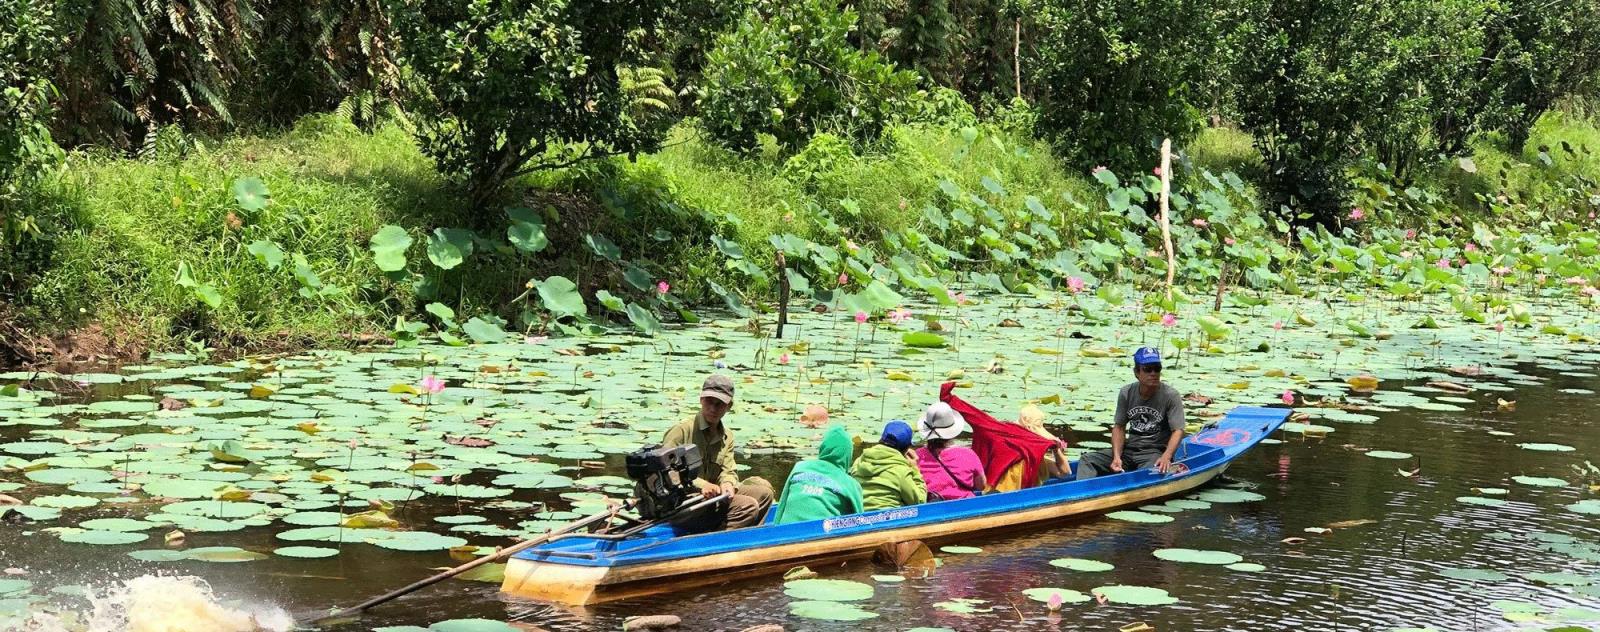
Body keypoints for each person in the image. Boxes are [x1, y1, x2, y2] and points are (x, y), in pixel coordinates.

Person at [660, 375, 775, 531]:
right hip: (683, 500)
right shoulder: (681, 431)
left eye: (719, 404)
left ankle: (737, 531)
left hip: (714, 496)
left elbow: (728, 470)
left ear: (729, 406)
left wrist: (728, 483)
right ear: (701, 399)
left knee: (764, 493)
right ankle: (721, 540)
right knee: (747, 506)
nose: (713, 409)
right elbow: (665, 472)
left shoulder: (727, 436)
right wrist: (703, 485)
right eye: (709, 401)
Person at [1077, 347, 1186, 479]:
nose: (1153, 373)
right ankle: (1085, 494)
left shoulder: (1170, 395)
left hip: (1153, 452)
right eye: (1147, 369)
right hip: (1129, 450)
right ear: (1137, 372)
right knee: (1087, 460)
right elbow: (1119, 427)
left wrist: (1166, 457)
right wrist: (1117, 457)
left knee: (1148, 473)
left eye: (1157, 368)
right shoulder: (1126, 393)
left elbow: (1178, 430)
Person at [772, 425, 863, 525]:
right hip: (822, 535)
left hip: (785, 532)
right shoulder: (850, 484)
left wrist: (775, 529)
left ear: (823, 448)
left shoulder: (800, 467)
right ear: (848, 455)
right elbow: (860, 521)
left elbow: (782, 505)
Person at [914, 402, 986, 501]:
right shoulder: (968, 454)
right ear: (953, 431)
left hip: (932, 506)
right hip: (966, 505)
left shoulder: (917, 456)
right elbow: (981, 486)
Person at [989, 404, 1072, 491]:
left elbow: (1066, 473)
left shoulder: (1037, 459)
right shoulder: (1034, 458)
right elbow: (1065, 473)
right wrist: (1056, 449)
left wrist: (1055, 448)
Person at [851, 420, 928, 510]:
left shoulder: (859, 462)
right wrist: (915, 468)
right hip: (889, 520)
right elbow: (920, 501)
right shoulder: (901, 471)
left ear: (881, 439)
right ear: (906, 449)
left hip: (860, 518)